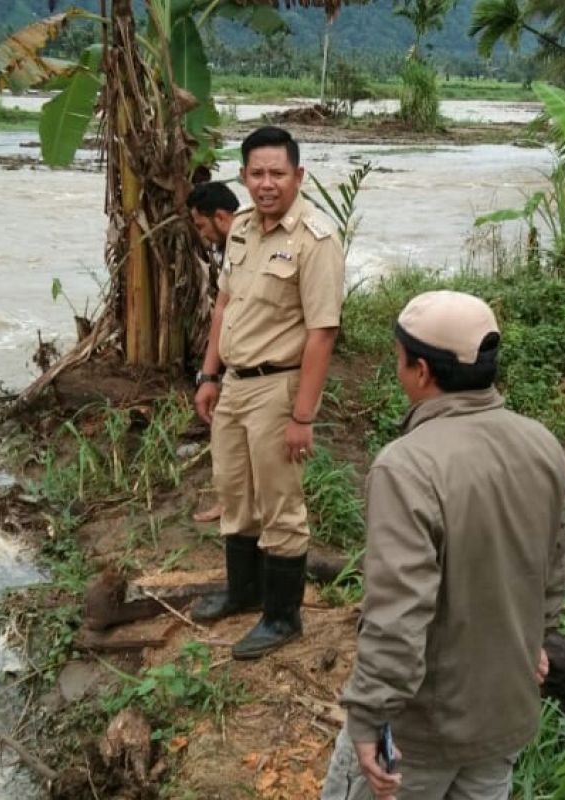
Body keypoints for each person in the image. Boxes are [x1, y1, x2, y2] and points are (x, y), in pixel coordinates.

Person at [322, 290, 565, 800]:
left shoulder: (407, 465)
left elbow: (397, 614)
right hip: (504, 713)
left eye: (397, 360)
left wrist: (368, 718)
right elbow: (553, 568)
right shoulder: (541, 444)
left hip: (421, 734)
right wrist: (536, 641)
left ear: (419, 371)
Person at [190, 126, 345, 660]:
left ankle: (283, 618)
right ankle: (244, 591)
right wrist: (209, 377)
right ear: (243, 176)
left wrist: (303, 415)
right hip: (233, 385)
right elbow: (225, 307)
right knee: (233, 489)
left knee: (280, 502)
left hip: (278, 386)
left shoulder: (315, 240)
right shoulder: (241, 232)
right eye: (256, 173)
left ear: (298, 176)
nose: (266, 183)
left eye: (278, 173)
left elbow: (323, 332)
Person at [185, 181, 241, 524]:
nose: (202, 235)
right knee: (225, 434)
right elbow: (222, 308)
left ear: (220, 217)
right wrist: (209, 375)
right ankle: (229, 503)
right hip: (234, 366)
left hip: (265, 368)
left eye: (201, 225)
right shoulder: (229, 249)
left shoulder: (251, 244)